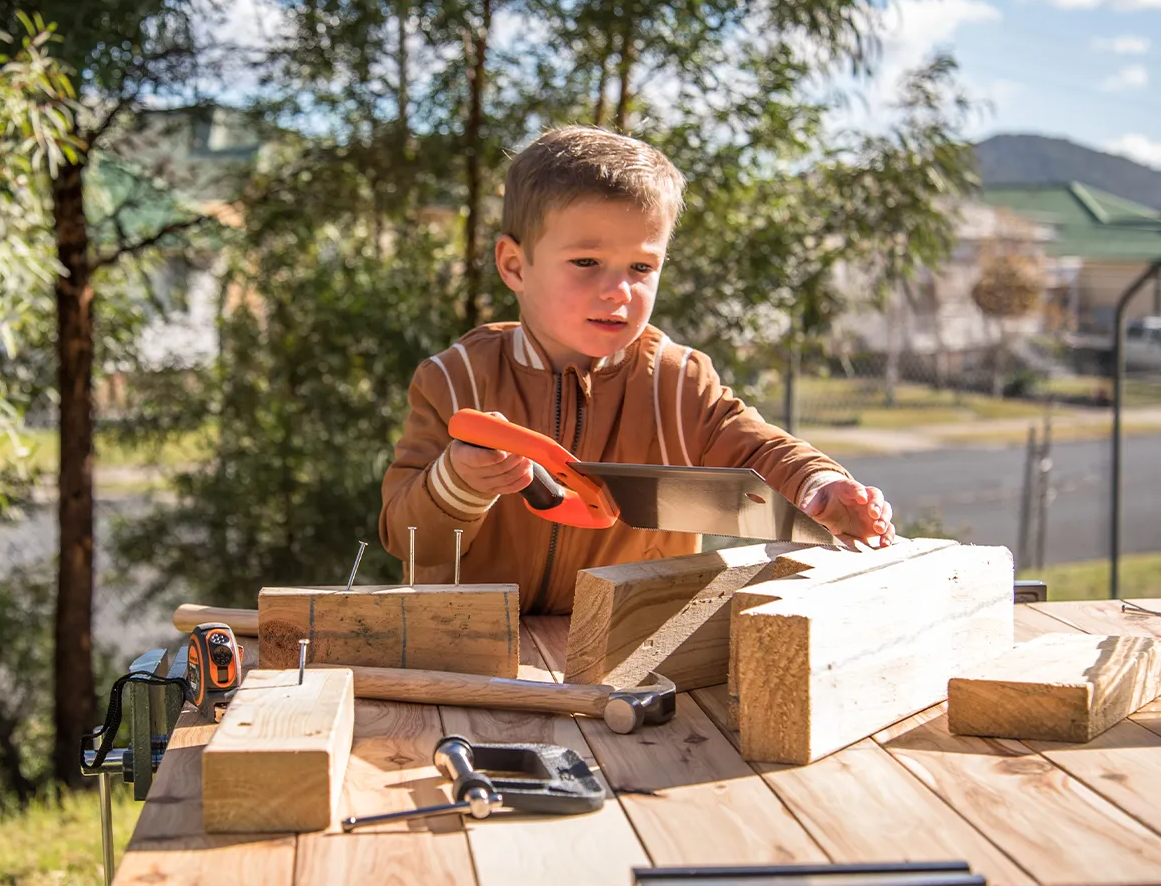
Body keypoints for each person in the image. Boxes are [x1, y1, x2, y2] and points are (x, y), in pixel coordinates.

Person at [380, 126, 894, 612]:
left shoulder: (678, 383)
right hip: (471, 643)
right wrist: (459, 482)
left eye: (642, 267)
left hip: (630, 643)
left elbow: (760, 451)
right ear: (515, 266)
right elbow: (406, 538)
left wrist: (819, 487)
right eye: (586, 262)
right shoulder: (455, 380)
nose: (618, 291)